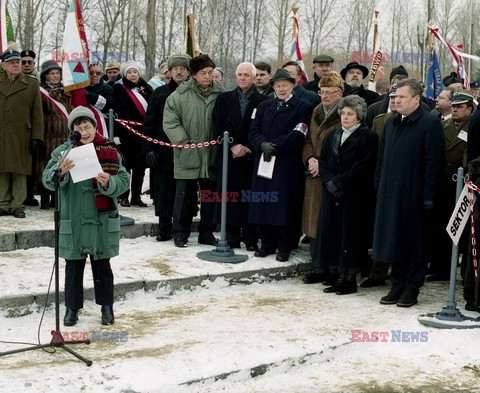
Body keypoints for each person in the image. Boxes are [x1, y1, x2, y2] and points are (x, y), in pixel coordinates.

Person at [42, 106, 130, 326]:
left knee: (103, 267)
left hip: (102, 219)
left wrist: (109, 182)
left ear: (95, 126)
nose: (84, 131)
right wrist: (60, 172)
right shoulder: (64, 151)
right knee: (73, 267)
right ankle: (72, 308)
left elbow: (124, 181)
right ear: (72, 130)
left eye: (87, 126)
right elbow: (47, 180)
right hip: (75, 219)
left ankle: (106, 308)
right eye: (79, 127)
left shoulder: (110, 149)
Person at [373, 79, 445, 307]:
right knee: (395, 240)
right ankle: (397, 285)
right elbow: (381, 160)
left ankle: (411, 288)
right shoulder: (391, 123)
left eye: (402, 97)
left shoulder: (429, 123)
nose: (396, 100)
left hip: (415, 195)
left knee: (415, 243)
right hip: (391, 193)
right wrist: (379, 186)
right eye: (394, 97)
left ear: (416, 99)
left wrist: (429, 196)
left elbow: (434, 163)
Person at [248, 69, 314, 262]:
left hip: (286, 164)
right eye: (278, 85)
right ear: (273, 86)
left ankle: (284, 246)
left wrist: (275, 146)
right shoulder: (264, 106)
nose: (282, 89)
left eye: (285, 85)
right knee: (263, 202)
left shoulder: (303, 106)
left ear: (292, 85)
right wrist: (262, 144)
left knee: (283, 205)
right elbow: (254, 130)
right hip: (264, 161)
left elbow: (298, 133)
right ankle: (266, 243)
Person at [316, 95, 378, 294]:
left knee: (350, 236)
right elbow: (323, 160)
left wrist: (340, 181)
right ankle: (337, 276)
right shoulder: (333, 134)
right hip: (332, 193)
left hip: (353, 194)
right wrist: (328, 181)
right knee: (333, 233)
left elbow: (363, 166)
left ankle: (349, 278)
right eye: (343, 113)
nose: (345, 117)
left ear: (359, 116)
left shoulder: (368, 136)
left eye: (350, 114)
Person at [163, 54, 224, 248]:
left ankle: (206, 232)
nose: (207, 76)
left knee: (210, 197)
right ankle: (180, 232)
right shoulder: (179, 96)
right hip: (187, 152)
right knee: (184, 197)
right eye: (203, 73)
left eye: (210, 73)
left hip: (212, 153)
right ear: (194, 75)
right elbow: (170, 121)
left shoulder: (221, 94)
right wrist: (183, 142)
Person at [212, 62, 270, 250]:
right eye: (239, 74)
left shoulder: (263, 101)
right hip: (230, 157)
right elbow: (217, 126)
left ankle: (250, 236)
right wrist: (232, 146)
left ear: (254, 78)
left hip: (250, 157)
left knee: (250, 197)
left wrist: (249, 147)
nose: (243, 78)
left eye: (247, 75)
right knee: (230, 197)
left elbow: (264, 129)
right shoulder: (224, 99)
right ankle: (231, 236)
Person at [143, 54, 191, 241]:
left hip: (187, 149)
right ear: (169, 71)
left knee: (184, 190)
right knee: (164, 189)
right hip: (163, 150)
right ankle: (164, 228)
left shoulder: (192, 93)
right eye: (175, 68)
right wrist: (149, 148)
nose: (179, 72)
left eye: (183, 68)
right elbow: (149, 122)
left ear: (188, 72)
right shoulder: (160, 93)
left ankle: (182, 227)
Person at [302, 72, 344, 284]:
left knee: (330, 224)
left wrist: (323, 165)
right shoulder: (316, 111)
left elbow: (343, 146)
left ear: (340, 93)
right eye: (321, 92)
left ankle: (333, 269)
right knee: (313, 224)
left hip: (331, 176)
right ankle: (318, 267)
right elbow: (308, 139)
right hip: (313, 175)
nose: (324, 97)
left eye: (329, 93)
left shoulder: (346, 113)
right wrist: (310, 158)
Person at [428, 89, 474, 282]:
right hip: (443, 185)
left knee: (462, 231)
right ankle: (441, 268)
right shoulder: (442, 125)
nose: (455, 110)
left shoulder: (474, 127)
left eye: (460, 107)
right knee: (441, 229)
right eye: (453, 106)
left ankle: (463, 272)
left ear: (470, 109)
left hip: (464, 186)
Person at [0, 49, 43, 218]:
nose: (17, 64)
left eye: (18, 61)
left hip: (22, 134)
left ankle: (17, 205)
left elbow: (37, 113)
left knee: (20, 170)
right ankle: (3, 204)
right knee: (1, 169)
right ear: (4, 65)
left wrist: (37, 137)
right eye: (12, 62)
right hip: (2, 132)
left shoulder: (31, 83)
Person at [113, 60, 152, 207]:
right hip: (126, 133)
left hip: (142, 133)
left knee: (140, 167)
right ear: (124, 74)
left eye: (134, 72)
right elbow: (116, 111)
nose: (132, 75)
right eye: (129, 72)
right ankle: (124, 196)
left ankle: (136, 196)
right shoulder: (118, 88)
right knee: (126, 166)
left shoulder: (146, 88)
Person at [37, 60, 73, 210]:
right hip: (48, 135)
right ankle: (45, 198)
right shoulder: (40, 91)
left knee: (62, 166)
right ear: (45, 76)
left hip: (64, 135)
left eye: (58, 73)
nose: (56, 76)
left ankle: (56, 199)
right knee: (46, 166)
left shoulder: (67, 91)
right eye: (52, 73)